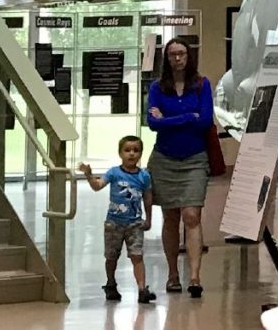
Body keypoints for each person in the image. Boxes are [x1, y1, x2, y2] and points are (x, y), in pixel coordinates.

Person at [142, 36, 214, 298]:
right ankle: (172, 273)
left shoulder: (202, 85)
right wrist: (186, 117)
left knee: (192, 215)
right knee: (170, 216)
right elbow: (152, 123)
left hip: (195, 158)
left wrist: (169, 118)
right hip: (164, 158)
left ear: (188, 55)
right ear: (167, 58)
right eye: (172, 54)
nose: (177, 58)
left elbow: (205, 120)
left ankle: (194, 276)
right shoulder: (158, 87)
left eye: (181, 53)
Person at [78, 134, 155, 304]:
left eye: (136, 150)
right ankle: (111, 283)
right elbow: (97, 186)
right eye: (127, 150)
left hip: (135, 223)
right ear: (120, 153)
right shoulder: (114, 172)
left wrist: (148, 219)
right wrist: (89, 176)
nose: (131, 154)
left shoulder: (144, 176)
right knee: (111, 256)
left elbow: (148, 198)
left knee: (137, 256)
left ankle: (142, 289)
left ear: (141, 153)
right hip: (114, 223)